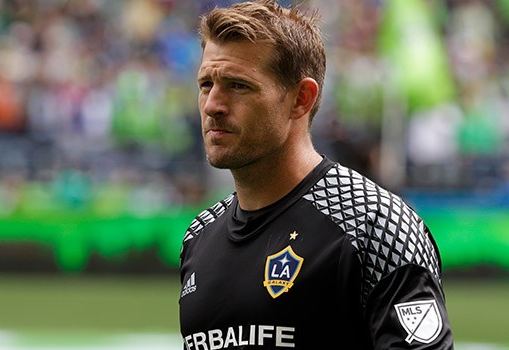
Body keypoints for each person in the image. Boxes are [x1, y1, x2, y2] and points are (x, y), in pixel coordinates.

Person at [178, 1, 454, 349]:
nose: (212, 105)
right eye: (206, 84)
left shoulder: (377, 227)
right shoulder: (199, 237)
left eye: (238, 86)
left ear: (301, 99)